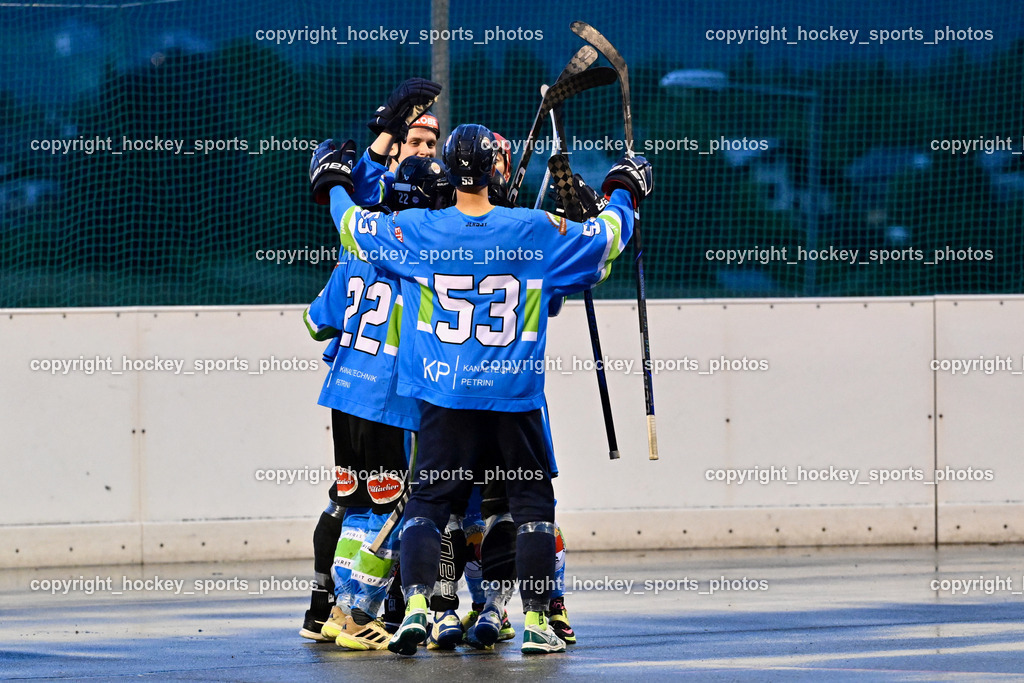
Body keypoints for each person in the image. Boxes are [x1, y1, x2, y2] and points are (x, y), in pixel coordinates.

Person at [311, 122, 652, 655]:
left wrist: (332, 183)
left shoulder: (419, 230)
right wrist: (623, 189)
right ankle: (536, 620)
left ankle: (419, 610)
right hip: (513, 397)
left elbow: (353, 225)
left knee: (428, 502)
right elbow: (607, 240)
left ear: (448, 170)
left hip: (445, 396)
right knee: (530, 506)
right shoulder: (533, 228)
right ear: (495, 170)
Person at [298, 76, 444, 647]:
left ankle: (337, 610)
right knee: (390, 508)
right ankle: (357, 611)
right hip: (392, 394)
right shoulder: (426, 245)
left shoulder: (359, 238)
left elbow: (315, 322)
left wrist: (379, 137)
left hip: (345, 389)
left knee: (354, 504)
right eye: (416, 143)